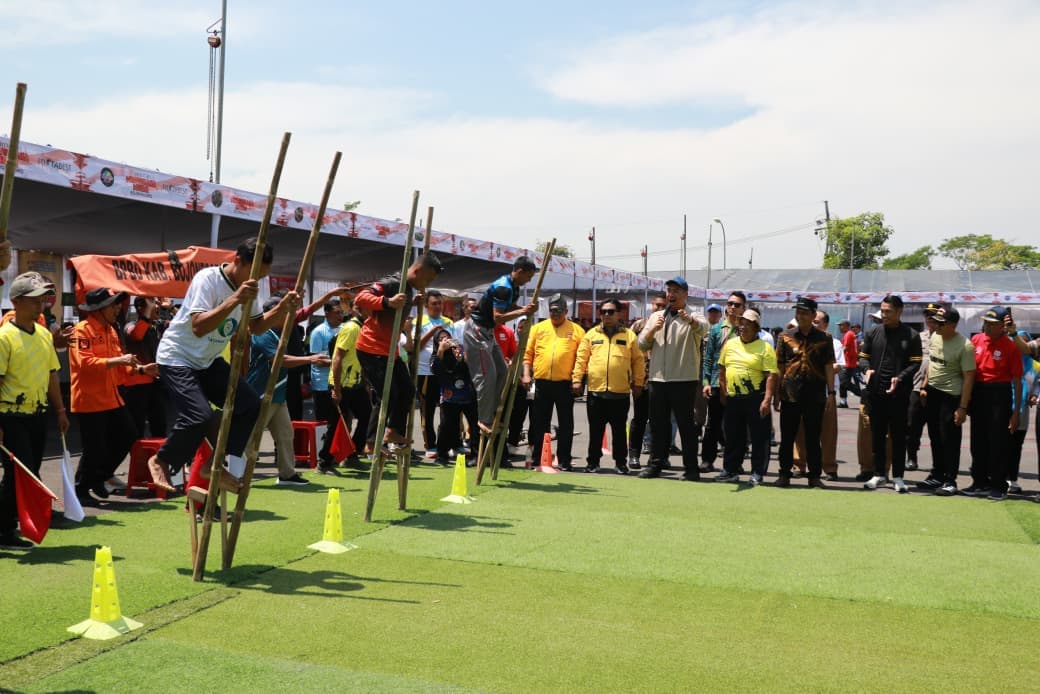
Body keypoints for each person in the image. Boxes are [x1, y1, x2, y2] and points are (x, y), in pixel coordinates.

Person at [149, 238, 301, 492]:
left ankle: (214, 465)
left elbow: (256, 327)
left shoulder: (249, 288)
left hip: (206, 361)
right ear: (237, 261)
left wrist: (283, 308)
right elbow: (198, 327)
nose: (256, 281)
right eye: (254, 274)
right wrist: (236, 299)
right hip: (177, 357)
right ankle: (161, 460)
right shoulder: (208, 279)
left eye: (262, 276)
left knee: (251, 406)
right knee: (199, 416)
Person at [0, 273, 70, 549]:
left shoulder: (43, 335)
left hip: (38, 414)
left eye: (42, 298)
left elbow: (52, 375)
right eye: (34, 299)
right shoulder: (4, 337)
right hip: (10, 416)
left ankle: (11, 523)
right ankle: (5, 529)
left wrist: (60, 410)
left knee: (28, 471)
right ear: (16, 301)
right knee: (21, 472)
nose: (40, 303)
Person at [70, 288, 159, 504]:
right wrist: (118, 361)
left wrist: (141, 370)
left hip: (111, 397)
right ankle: (82, 489)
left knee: (128, 435)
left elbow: (121, 364)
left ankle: (99, 477)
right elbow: (84, 363)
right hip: (89, 400)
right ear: (99, 309)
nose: (118, 308)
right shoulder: (81, 331)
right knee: (95, 447)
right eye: (113, 305)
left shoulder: (111, 330)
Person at [354, 252, 443, 446]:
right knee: (388, 394)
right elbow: (360, 298)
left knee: (408, 390)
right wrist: (387, 302)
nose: (427, 285)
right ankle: (371, 442)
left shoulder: (409, 289)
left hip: (389, 350)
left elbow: (398, 308)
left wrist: (412, 302)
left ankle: (392, 431)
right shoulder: (394, 282)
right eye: (427, 280)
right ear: (417, 271)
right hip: (371, 348)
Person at [247, 296, 334, 485]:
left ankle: (287, 474)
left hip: (278, 395)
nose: (289, 317)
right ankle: (237, 473)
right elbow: (279, 360)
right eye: (285, 313)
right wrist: (310, 359)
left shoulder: (280, 333)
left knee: (286, 434)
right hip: (262, 394)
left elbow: (308, 310)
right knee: (250, 437)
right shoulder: (262, 333)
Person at [637, 276, 710, 480]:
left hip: (683, 380)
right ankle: (656, 464)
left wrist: (690, 320)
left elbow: (704, 329)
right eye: (669, 290)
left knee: (686, 426)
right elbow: (641, 344)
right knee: (658, 425)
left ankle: (691, 468)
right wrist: (652, 330)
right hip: (658, 380)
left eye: (676, 291)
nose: (671, 294)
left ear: (685, 294)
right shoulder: (656, 317)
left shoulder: (695, 316)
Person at [571, 298, 645, 474]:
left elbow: (638, 361)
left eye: (610, 312)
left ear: (619, 314)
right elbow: (581, 359)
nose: (606, 315)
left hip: (620, 393)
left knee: (619, 432)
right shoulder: (591, 335)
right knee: (595, 431)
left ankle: (620, 464)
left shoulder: (629, 336)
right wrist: (576, 380)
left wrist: (639, 383)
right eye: (603, 312)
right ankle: (593, 463)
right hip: (596, 392)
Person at [466, 257, 537, 437]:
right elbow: (498, 317)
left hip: (488, 331)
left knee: (503, 371)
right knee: (487, 375)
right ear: (520, 272)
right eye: (528, 276)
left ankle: (494, 410)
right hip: (477, 330)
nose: (529, 280)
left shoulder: (514, 286)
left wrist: (523, 308)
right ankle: (484, 419)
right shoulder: (503, 287)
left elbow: (508, 307)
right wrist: (523, 311)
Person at [858, 295, 922, 494]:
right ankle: (878, 474)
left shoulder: (911, 335)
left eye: (888, 311)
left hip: (899, 395)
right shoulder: (873, 332)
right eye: (882, 311)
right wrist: (867, 369)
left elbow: (915, 363)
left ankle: (898, 476)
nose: (884, 315)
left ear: (899, 311)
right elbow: (863, 358)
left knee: (899, 436)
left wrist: (900, 378)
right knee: (877, 435)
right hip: (876, 393)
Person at [773, 297, 834, 488]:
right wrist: (776, 393)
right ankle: (784, 474)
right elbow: (779, 366)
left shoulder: (825, 338)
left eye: (804, 313)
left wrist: (831, 393)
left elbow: (829, 366)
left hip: (815, 396)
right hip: (789, 395)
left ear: (813, 315)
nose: (800, 316)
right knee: (787, 438)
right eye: (798, 312)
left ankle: (814, 476)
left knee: (813, 438)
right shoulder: (785, 336)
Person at [963, 306, 1021, 500]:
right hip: (979, 392)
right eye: (986, 322)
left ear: (1002, 326)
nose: (986, 326)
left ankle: (998, 485)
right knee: (977, 441)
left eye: (992, 324)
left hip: (999, 394)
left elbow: (1017, 381)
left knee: (998, 442)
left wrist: (1016, 412)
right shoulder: (977, 340)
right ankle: (979, 482)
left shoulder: (1011, 346)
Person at [917, 307, 975, 496]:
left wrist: (962, 407)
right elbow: (932, 364)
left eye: (941, 323)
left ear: (953, 325)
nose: (936, 325)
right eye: (935, 321)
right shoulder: (935, 337)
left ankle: (950, 480)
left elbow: (969, 378)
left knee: (949, 439)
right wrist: (924, 387)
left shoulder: (965, 346)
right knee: (934, 435)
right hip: (933, 392)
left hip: (951, 396)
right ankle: (937, 475)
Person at [524, 294, 585, 470]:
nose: (555, 313)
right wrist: (526, 375)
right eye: (552, 310)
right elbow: (528, 354)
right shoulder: (538, 328)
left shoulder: (577, 330)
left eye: (559, 310)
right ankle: (538, 458)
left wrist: (578, 380)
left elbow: (581, 358)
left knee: (566, 424)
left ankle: (564, 460)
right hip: (542, 383)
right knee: (539, 423)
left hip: (565, 384)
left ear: (566, 311)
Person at [716, 309, 776, 486]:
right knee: (733, 437)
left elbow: (771, 376)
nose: (742, 327)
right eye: (741, 323)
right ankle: (730, 470)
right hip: (733, 398)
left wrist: (767, 400)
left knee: (759, 438)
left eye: (747, 324)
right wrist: (723, 391)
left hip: (756, 398)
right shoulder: (730, 344)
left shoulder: (765, 348)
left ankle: (757, 472)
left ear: (756, 327)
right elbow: (722, 369)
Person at [792, 310, 843, 480]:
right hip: (803, 392)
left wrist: (815, 368)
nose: (813, 323)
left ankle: (829, 467)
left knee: (827, 433)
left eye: (817, 321)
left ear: (826, 324)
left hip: (826, 393)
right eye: (812, 321)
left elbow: (837, 366)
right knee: (800, 431)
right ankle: (799, 465)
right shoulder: (799, 339)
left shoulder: (833, 342)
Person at [701, 291, 745, 472]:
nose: (732, 307)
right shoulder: (716, 329)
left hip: (739, 383)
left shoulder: (746, 330)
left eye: (737, 304)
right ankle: (707, 460)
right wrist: (706, 382)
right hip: (716, 382)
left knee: (736, 426)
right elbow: (708, 357)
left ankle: (735, 462)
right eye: (730, 304)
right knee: (713, 423)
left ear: (743, 308)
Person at [329, 296, 370, 469]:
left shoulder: (364, 327)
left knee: (367, 415)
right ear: (356, 309)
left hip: (356, 383)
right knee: (338, 423)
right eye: (367, 308)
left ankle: (352, 453)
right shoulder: (351, 328)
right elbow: (337, 358)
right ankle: (325, 461)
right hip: (342, 383)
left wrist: (365, 383)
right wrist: (336, 388)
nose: (371, 311)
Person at [628, 293, 667, 470]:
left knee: (661, 422)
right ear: (652, 305)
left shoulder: (671, 325)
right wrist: (632, 379)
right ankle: (634, 455)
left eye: (663, 306)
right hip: (641, 381)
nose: (660, 308)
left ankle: (659, 457)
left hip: (663, 380)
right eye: (657, 305)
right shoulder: (639, 325)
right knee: (639, 419)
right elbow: (629, 350)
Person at [430, 329, 478, 465]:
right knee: (446, 426)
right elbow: (435, 370)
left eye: (447, 337)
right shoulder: (436, 356)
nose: (445, 341)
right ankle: (442, 454)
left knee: (475, 425)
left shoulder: (459, 350)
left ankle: (475, 455)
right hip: (449, 397)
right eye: (441, 339)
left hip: (467, 395)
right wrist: (441, 350)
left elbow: (471, 369)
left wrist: (461, 358)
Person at [415, 290, 454, 456]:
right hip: (425, 372)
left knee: (449, 408)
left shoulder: (449, 322)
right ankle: (430, 445)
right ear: (426, 305)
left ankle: (447, 443)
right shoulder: (419, 321)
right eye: (434, 304)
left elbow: (454, 344)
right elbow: (416, 346)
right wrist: (433, 331)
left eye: (440, 303)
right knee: (428, 409)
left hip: (444, 373)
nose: (438, 307)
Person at [123, 296, 167, 438]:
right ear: (140, 308)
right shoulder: (130, 325)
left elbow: (184, 324)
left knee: (160, 426)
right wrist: (147, 313)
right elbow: (136, 335)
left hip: (157, 382)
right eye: (152, 303)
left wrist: (171, 308)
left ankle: (158, 452)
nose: (156, 306)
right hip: (137, 384)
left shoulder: (157, 325)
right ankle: (137, 452)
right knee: (137, 428)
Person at [310, 297, 343, 469]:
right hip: (322, 384)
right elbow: (315, 359)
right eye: (337, 313)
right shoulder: (318, 332)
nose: (340, 316)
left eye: (342, 312)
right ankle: (322, 458)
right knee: (325, 422)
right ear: (327, 313)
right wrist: (338, 362)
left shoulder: (344, 330)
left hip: (339, 382)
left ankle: (336, 455)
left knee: (338, 421)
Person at [906, 303, 939, 471]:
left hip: (937, 389)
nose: (930, 318)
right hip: (917, 387)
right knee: (912, 425)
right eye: (927, 315)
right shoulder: (918, 337)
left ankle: (938, 464)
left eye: (933, 315)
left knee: (937, 428)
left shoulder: (946, 338)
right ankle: (911, 457)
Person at [506, 317, 530, 456]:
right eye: (521, 327)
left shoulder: (535, 343)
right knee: (514, 416)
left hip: (532, 385)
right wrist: (520, 379)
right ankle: (510, 443)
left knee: (531, 417)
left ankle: (532, 446)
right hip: (515, 385)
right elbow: (508, 362)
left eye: (527, 327)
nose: (523, 330)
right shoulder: (513, 343)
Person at [837, 319, 861, 407]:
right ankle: (843, 402)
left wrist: (837, 357)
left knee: (845, 383)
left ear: (846, 326)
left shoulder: (848, 334)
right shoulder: (850, 334)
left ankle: (864, 394)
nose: (839, 327)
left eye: (841, 325)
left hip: (848, 363)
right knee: (843, 383)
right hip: (849, 362)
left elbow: (845, 348)